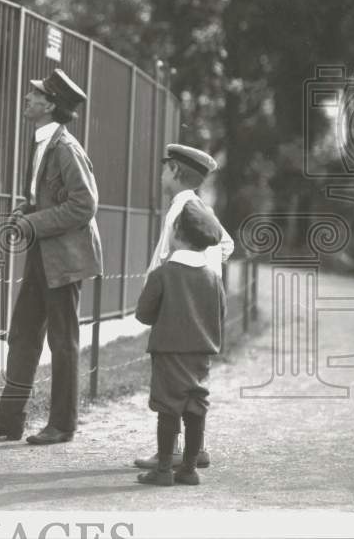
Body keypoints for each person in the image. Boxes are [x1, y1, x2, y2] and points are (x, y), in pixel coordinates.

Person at [0, 68, 103, 444]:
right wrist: (25, 210)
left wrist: (33, 222)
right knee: (23, 334)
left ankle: (63, 425)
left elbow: (84, 205)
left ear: (50, 105)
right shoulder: (43, 141)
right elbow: (49, 198)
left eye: (36, 93)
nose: (28, 97)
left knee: (62, 342)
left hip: (65, 259)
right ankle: (9, 420)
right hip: (45, 253)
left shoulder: (66, 149)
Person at [134, 144, 234, 471]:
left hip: (175, 308)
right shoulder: (199, 207)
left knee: (172, 389)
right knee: (194, 387)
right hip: (199, 314)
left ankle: (173, 453)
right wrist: (208, 268)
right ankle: (195, 450)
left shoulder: (181, 209)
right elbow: (226, 243)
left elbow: (164, 257)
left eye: (166, 168)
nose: (162, 174)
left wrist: (176, 280)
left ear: (175, 171)